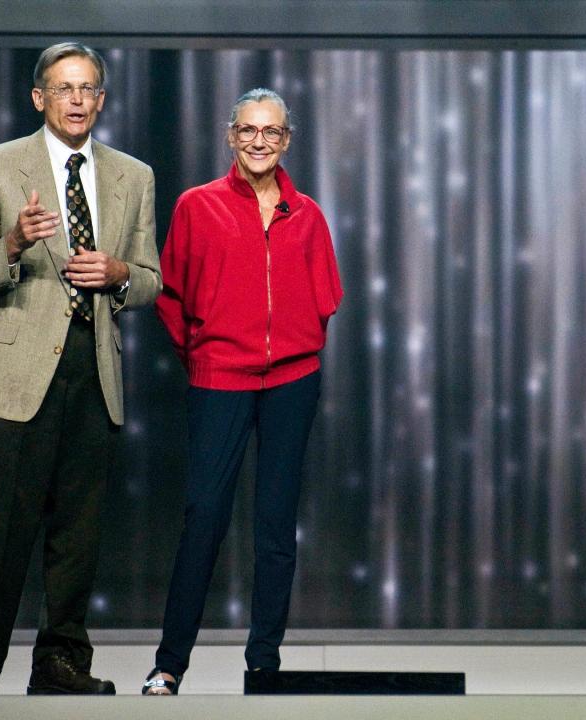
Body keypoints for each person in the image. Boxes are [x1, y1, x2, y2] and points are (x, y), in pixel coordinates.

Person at [0, 43, 161, 696]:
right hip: (15, 374)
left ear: (101, 99)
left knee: (78, 534)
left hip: (92, 367)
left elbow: (151, 278)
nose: (76, 100)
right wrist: (10, 244)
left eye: (89, 88)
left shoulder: (134, 175)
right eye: (64, 88)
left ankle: (62, 664)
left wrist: (119, 273)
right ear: (39, 97)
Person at [143, 88, 342, 695]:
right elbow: (172, 296)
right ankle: (169, 663)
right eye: (249, 130)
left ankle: (264, 661)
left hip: (291, 381)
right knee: (204, 516)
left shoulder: (305, 213)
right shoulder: (197, 206)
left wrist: (294, 348)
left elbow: (326, 296)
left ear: (286, 140)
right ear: (232, 136)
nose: (260, 141)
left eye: (272, 132)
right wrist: (208, 355)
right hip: (219, 377)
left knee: (277, 525)